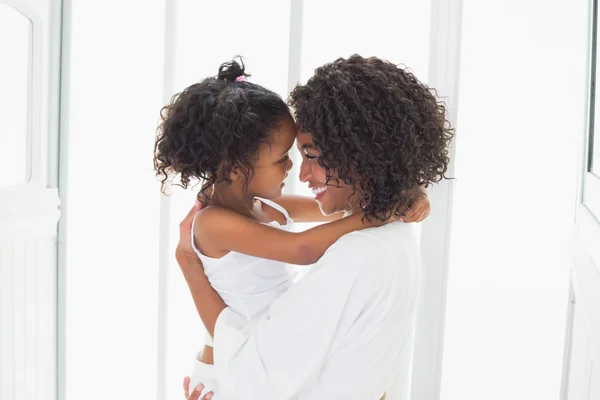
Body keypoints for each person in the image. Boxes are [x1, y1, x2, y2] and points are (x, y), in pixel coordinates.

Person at [176, 55, 453, 399]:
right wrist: (382, 210)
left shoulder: (277, 211)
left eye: (308, 155)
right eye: (283, 159)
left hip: (250, 350)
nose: (297, 171)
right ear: (235, 168)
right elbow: (302, 248)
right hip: (225, 367)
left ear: (357, 152)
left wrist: (407, 193)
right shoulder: (212, 221)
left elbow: (333, 220)